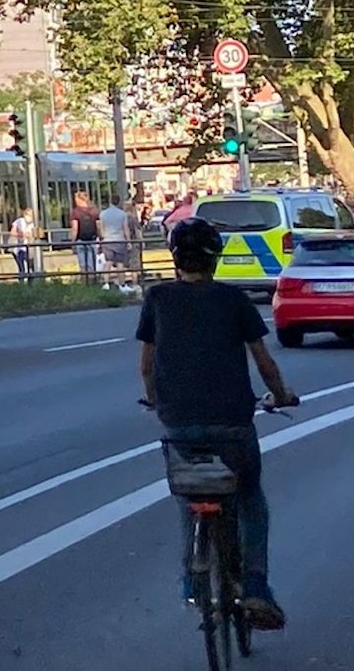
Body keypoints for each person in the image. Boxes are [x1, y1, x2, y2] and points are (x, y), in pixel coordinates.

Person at [139, 217, 299, 631]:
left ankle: (193, 579)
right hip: (232, 424)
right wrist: (280, 395)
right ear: (216, 259)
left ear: (175, 258)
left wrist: (158, 401)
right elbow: (263, 361)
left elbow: (147, 364)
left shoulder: (157, 298)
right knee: (250, 500)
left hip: (179, 424)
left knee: (189, 496)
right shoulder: (234, 301)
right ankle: (257, 587)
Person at [100, 197, 133, 285]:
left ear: (110, 202)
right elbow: (126, 228)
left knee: (108, 262)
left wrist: (103, 237)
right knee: (120, 263)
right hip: (119, 240)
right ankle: (122, 283)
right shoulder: (122, 214)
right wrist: (128, 241)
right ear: (118, 202)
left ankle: (105, 283)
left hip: (107, 240)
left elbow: (101, 228)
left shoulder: (103, 214)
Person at [70, 191, 102, 279]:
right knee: (92, 263)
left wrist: (73, 242)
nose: (75, 201)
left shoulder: (75, 212)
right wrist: (101, 238)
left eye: (76, 199)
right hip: (92, 239)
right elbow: (98, 226)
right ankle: (92, 281)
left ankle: (84, 282)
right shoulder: (94, 211)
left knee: (83, 264)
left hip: (80, 240)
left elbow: (75, 228)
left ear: (80, 200)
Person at [9, 207, 37, 277]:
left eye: (31, 215)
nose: (30, 217)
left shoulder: (33, 224)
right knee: (21, 267)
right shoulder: (19, 221)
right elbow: (12, 232)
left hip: (29, 248)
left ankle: (30, 282)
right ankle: (22, 281)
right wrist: (22, 234)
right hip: (19, 248)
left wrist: (31, 236)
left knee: (31, 267)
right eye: (29, 215)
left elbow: (35, 235)